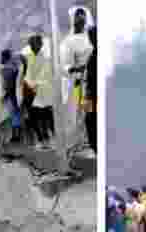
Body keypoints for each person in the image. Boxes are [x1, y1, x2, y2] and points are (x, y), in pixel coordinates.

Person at [60, 6, 95, 147]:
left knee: (92, 110)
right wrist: (75, 69)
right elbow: (64, 65)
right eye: (77, 15)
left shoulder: (92, 36)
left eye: (82, 15)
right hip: (78, 82)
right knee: (79, 111)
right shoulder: (68, 41)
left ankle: (91, 138)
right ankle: (80, 140)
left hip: (93, 78)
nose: (80, 18)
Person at [22, 35, 56, 150]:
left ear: (41, 44)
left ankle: (52, 139)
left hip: (43, 91)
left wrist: (40, 84)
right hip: (30, 92)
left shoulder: (46, 58)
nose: (32, 46)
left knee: (47, 115)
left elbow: (49, 75)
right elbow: (24, 75)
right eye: (31, 44)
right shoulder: (27, 57)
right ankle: (41, 140)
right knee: (34, 117)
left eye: (35, 43)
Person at [0, 50, 22, 144]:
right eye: (12, 54)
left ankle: (15, 135)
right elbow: (9, 85)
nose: (14, 56)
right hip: (13, 94)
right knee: (15, 114)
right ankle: (16, 136)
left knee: (14, 115)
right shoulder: (9, 68)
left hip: (11, 94)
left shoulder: (7, 68)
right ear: (9, 56)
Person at [84, 25, 97, 155]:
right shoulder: (93, 53)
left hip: (94, 93)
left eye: (93, 36)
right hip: (90, 94)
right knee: (88, 119)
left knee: (91, 120)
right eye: (90, 36)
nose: (91, 39)